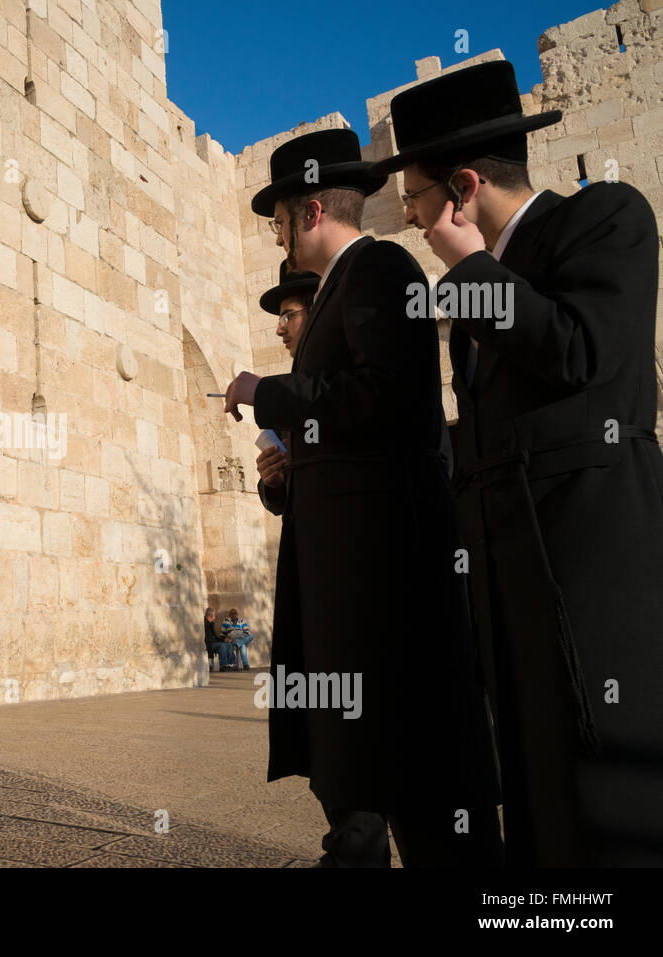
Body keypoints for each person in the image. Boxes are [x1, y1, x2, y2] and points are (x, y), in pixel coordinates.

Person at [379, 59, 663, 866]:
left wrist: (469, 272)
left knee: (611, 810)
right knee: (542, 814)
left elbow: (582, 353)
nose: (411, 217)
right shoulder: (480, 291)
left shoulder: (605, 217)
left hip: (595, 576)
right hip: (512, 596)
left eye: (417, 199)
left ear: (462, 189)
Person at [222, 128, 502, 867]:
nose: (276, 235)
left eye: (278, 219)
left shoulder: (380, 268)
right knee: (372, 774)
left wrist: (266, 392)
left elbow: (390, 399)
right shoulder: (350, 285)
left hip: (391, 588)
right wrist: (292, 472)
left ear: (310, 210)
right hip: (355, 586)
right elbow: (352, 426)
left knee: (428, 792)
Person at [255, 262, 319, 518]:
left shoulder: (348, 379)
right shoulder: (290, 392)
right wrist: (272, 481)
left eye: (288, 316)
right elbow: (279, 502)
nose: (279, 329)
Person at [203, 606, 232, 672]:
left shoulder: (211, 623)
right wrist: (221, 641)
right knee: (222, 645)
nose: (215, 616)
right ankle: (223, 665)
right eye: (214, 615)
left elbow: (215, 637)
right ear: (211, 615)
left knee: (228, 645)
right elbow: (209, 639)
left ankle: (231, 664)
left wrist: (224, 640)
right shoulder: (205, 624)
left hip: (213, 642)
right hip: (209, 644)